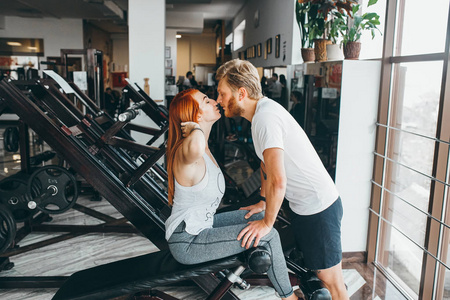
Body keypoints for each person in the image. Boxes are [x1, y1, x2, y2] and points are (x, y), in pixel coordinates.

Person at [216, 59, 349, 300]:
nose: (219, 100)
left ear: (241, 93)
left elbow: (279, 180)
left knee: (333, 283)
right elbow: (266, 166)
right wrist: (264, 201)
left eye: (222, 94)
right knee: (321, 278)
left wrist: (267, 223)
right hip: (305, 207)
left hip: (319, 208)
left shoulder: (266, 119)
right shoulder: (260, 116)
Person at [165, 89, 298, 300]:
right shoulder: (187, 149)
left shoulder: (202, 147)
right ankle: (289, 297)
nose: (213, 101)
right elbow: (196, 145)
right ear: (196, 115)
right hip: (188, 240)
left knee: (258, 219)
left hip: (202, 226)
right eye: (206, 101)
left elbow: (200, 144)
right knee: (268, 234)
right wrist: (195, 128)